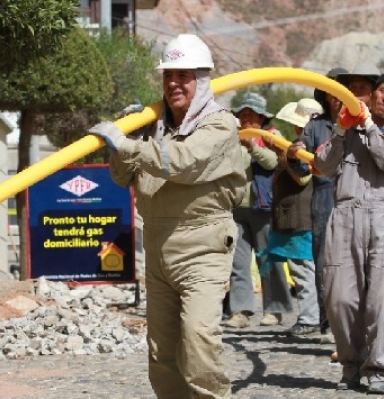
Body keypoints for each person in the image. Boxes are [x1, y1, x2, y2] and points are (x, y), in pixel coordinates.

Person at [88, 33, 246, 399]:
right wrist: (126, 141)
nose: (174, 83)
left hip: (203, 246)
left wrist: (128, 144)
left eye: (183, 75)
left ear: (202, 80)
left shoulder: (219, 125)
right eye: (168, 75)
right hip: (158, 246)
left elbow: (182, 162)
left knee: (199, 338)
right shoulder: (152, 125)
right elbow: (120, 176)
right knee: (161, 351)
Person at [316, 72, 384, 394]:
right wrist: (342, 128)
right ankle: (350, 366)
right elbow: (323, 165)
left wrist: (369, 127)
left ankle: (379, 370)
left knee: (382, 301)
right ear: (373, 96)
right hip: (345, 217)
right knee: (340, 298)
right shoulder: (346, 132)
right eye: (382, 91)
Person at [286, 66, 350, 337]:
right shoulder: (314, 127)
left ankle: (362, 326)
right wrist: (293, 156)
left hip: (356, 196)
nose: (336, 95)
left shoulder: (360, 122)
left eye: (342, 88)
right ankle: (328, 323)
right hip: (324, 198)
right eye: (331, 89)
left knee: (356, 263)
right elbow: (301, 170)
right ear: (325, 94)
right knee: (323, 262)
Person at [224, 92, 293, 329]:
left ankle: (275, 310)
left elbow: (273, 163)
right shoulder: (232, 138)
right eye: (242, 114)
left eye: (250, 115)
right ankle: (240, 311)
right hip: (237, 209)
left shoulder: (273, 137)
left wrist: (253, 148)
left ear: (262, 118)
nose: (246, 119)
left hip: (264, 209)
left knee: (268, 260)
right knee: (238, 262)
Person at [258, 97, 323, 336]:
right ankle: (312, 316)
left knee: (303, 269)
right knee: (303, 269)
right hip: (294, 216)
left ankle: (310, 318)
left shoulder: (304, 149)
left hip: (300, 218)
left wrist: (285, 155)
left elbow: (303, 177)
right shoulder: (302, 144)